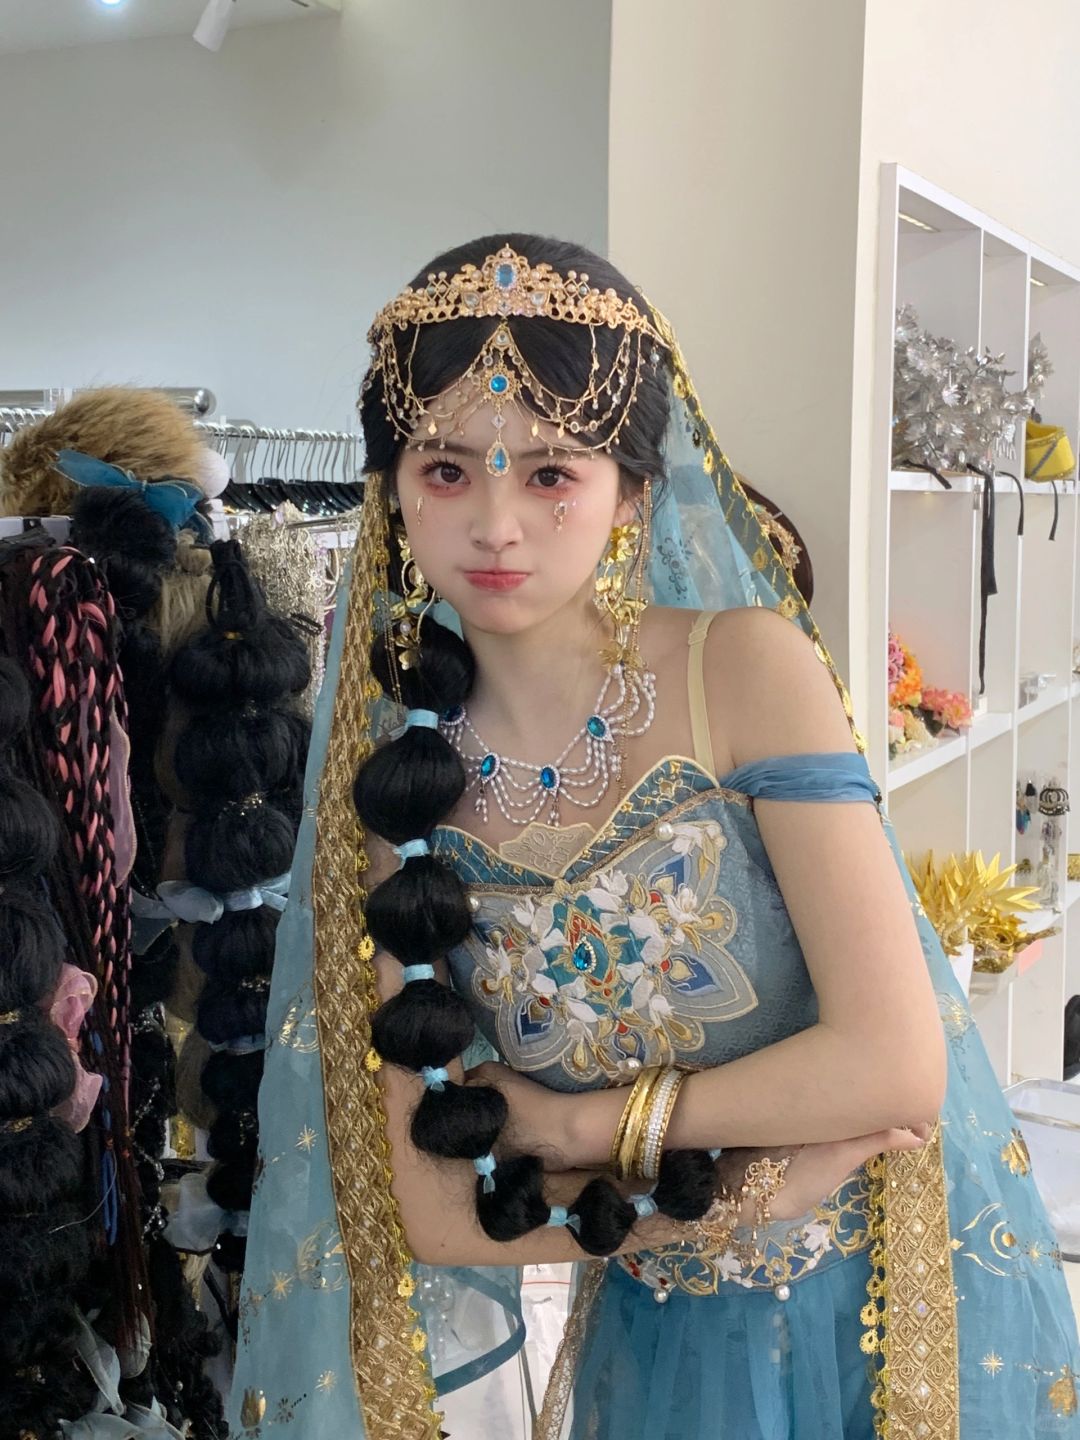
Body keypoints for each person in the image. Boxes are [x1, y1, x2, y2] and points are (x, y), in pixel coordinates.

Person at [230, 235, 1080, 1439]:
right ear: (394, 491)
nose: (497, 525)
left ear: (632, 492)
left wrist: (578, 1127)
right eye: (448, 469)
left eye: (551, 473)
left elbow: (894, 1065)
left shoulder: (742, 673)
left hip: (882, 1314)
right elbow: (436, 1216)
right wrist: (755, 1186)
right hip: (659, 1336)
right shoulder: (400, 793)